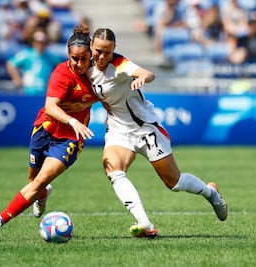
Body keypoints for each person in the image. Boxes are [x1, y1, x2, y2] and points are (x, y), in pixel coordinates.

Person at [87, 28, 228, 238]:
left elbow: (147, 73)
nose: (102, 56)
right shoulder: (85, 66)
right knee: (113, 170)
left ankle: (211, 193)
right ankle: (144, 223)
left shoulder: (120, 64)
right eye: (98, 51)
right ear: (91, 47)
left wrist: (142, 78)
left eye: (107, 52)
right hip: (118, 130)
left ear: (114, 49)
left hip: (145, 128)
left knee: (175, 183)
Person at [0, 24, 97, 234]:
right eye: (74, 58)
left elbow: (113, 88)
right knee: (33, 179)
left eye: (83, 58)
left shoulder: (99, 75)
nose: (78, 63)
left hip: (70, 138)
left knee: (41, 179)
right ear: (68, 55)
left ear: (91, 55)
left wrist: (85, 108)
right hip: (45, 128)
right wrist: (73, 119)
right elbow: (51, 107)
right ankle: (42, 195)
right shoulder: (61, 73)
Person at [6, 29, 62, 96]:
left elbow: (62, 67)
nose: (40, 45)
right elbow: (11, 64)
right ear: (34, 42)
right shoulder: (26, 54)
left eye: (42, 42)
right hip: (29, 91)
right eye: (37, 42)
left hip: (46, 92)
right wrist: (17, 78)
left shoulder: (51, 57)